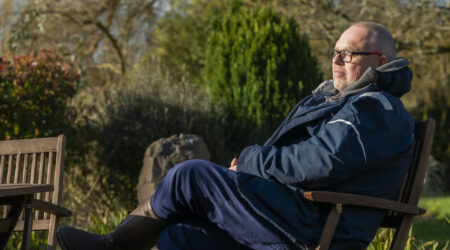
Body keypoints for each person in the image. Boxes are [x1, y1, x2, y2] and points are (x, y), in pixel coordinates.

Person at [57, 21, 415, 250]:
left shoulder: (376, 109)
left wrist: (249, 161)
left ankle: (112, 246)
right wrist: (246, 174)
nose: (336, 61)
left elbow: (321, 161)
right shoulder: (342, 102)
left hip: (316, 227)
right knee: (181, 236)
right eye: (334, 52)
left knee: (189, 174)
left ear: (380, 61)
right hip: (293, 214)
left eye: (347, 54)